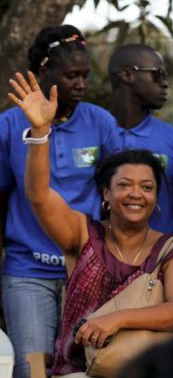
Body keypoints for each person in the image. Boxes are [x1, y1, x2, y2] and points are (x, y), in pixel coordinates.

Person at [6, 72, 173, 376]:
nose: (136, 194)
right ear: (106, 193)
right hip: (79, 372)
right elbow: (39, 196)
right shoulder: (84, 235)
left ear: (156, 197)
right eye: (124, 185)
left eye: (147, 187)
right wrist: (40, 131)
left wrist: (115, 319)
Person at [0, 26, 121, 378]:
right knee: (33, 369)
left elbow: (118, 191)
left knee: (88, 369)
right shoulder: (8, 126)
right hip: (27, 271)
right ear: (45, 71)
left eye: (85, 75)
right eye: (72, 76)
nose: (81, 84)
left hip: (89, 270)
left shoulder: (101, 122)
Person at [108, 44, 173, 234]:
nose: (165, 83)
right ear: (128, 75)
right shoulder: (92, 135)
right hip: (99, 251)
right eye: (158, 74)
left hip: (162, 252)